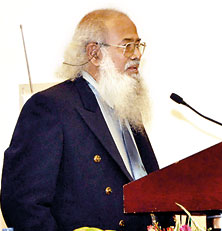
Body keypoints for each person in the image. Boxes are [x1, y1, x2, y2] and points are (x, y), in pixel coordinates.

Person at [1, 9, 173, 231]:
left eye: (138, 45)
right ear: (94, 53)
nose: (136, 54)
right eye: (127, 45)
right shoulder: (51, 107)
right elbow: (23, 204)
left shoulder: (128, 109)